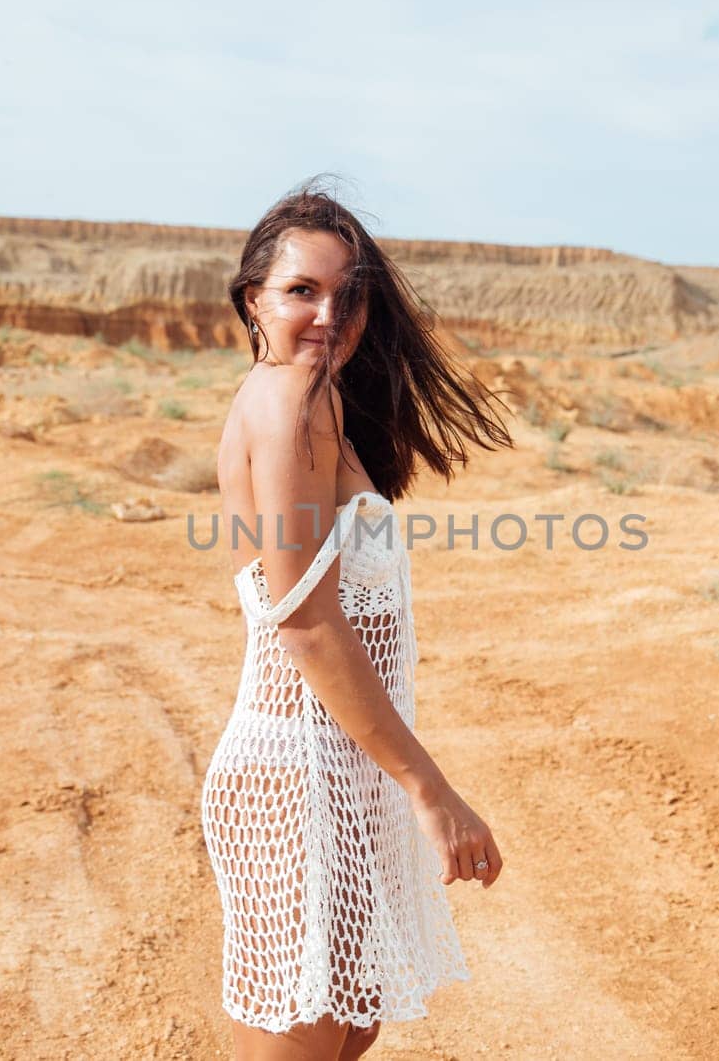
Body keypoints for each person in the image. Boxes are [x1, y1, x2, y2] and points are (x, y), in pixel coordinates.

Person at [199, 179, 515, 1061]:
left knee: (353, 1021)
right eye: (302, 290)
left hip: (338, 766)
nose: (329, 313)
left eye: (350, 294)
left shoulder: (313, 400)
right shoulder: (286, 400)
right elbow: (303, 622)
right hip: (297, 775)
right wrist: (431, 791)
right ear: (252, 299)